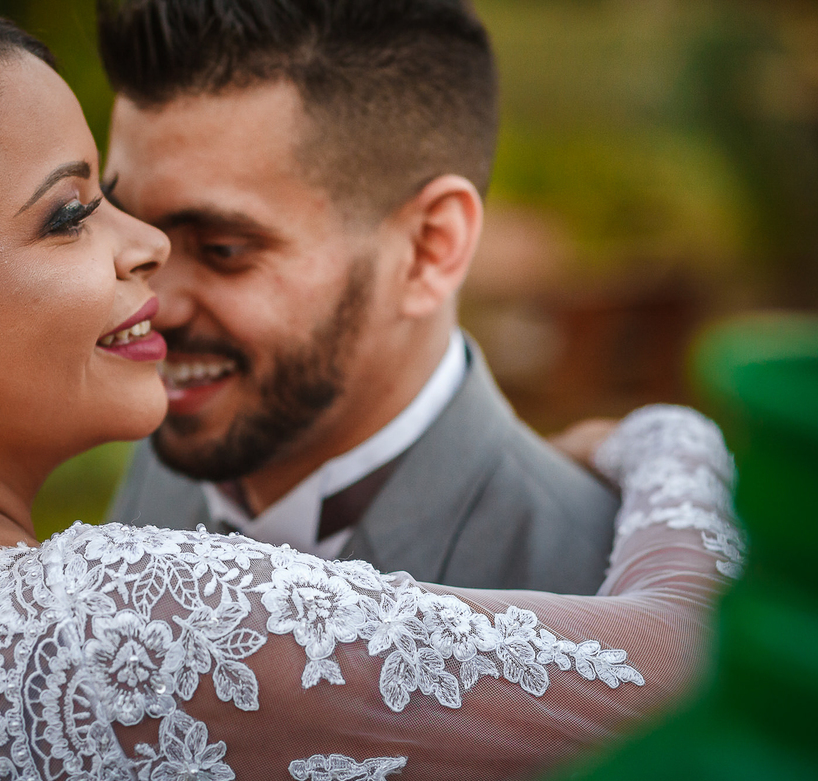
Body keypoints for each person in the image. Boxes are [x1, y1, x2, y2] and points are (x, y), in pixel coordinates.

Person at [0, 2, 742, 781]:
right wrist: (673, 440)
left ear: (433, 247)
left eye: (223, 245)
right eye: (71, 215)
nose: (148, 256)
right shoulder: (103, 614)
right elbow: (683, 659)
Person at [100, 0, 621, 593]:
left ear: (430, 249)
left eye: (222, 249)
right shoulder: (162, 449)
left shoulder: (594, 594)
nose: (150, 306)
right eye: (133, 233)